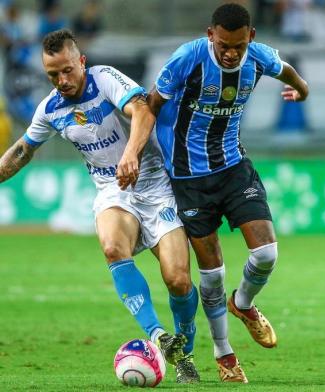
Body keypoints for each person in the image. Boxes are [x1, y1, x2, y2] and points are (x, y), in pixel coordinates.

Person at [121, 3, 309, 383]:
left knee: (267, 252)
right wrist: (134, 154)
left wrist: (301, 90)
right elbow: (150, 107)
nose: (230, 52)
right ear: (211, 35)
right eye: (223, 44)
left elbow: (285, 69)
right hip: (189, 180)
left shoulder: (257, 57)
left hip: (234, 167)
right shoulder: (187, 59)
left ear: (250, 38)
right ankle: (224, 353)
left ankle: (243, 304)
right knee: (211, 275)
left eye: (238, 46)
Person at [0, 29, 200, 384]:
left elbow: (141, 110)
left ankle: (185, 352)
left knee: (178, 280)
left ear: (81, 61)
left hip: (155, 184)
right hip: (113, 190)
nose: (62, 80)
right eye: (52, 75)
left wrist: (130, 154)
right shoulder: (50, 109)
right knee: (112, 247)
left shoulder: (104, 79)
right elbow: (22, 151)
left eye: (67, 70)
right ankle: (157, 335)